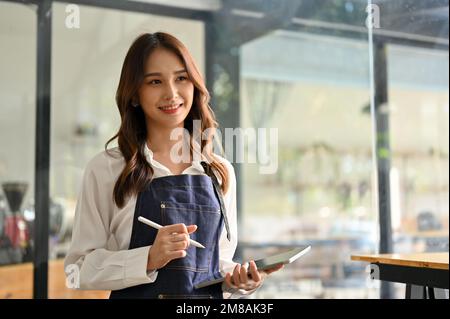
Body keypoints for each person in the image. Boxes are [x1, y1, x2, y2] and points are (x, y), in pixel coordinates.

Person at [64, 32, 282, 299]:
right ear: (134, 94)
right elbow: (77, 269)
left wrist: (239, 282)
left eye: (181, 78)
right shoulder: (106, 169)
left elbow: (216, 266)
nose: (171, 93)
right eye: (155, 81)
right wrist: (148, 258)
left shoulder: (219, 171)